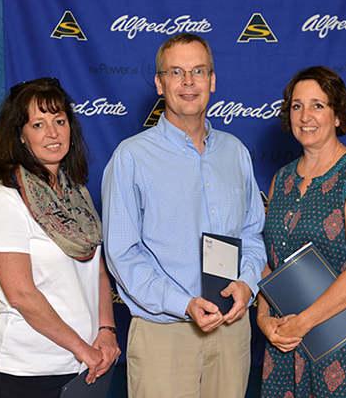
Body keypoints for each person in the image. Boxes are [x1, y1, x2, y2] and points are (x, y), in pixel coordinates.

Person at [101, 33, 267, 398]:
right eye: (177, 72)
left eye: (198, 71)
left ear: (212, 80)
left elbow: (253, 235)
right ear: (160, 84)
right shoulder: (131, 158)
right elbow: (122, 255)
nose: (189, 82)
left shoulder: (235, 152)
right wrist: (184, 304)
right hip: (165, 334)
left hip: (231, 329)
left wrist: (248, 284)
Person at [0, 77, 121, 398]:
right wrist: (81, 348)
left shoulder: (77, 192)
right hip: (26, 371)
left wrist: (106, 331)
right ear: (21, 136)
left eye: (59, 121)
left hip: (83, 363)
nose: (53, 133)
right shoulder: (5, 199)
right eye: (38, 124)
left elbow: (95, 267)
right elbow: (21, 295)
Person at [257, 66, 346, 398]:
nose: (305, 116)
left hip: (340, 341)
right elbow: (272, 263)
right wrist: (263, 318)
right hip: (286, 339)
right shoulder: (281, 180)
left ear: (338, 115)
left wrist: (304, 321)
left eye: (317, 105)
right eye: (297, 106)